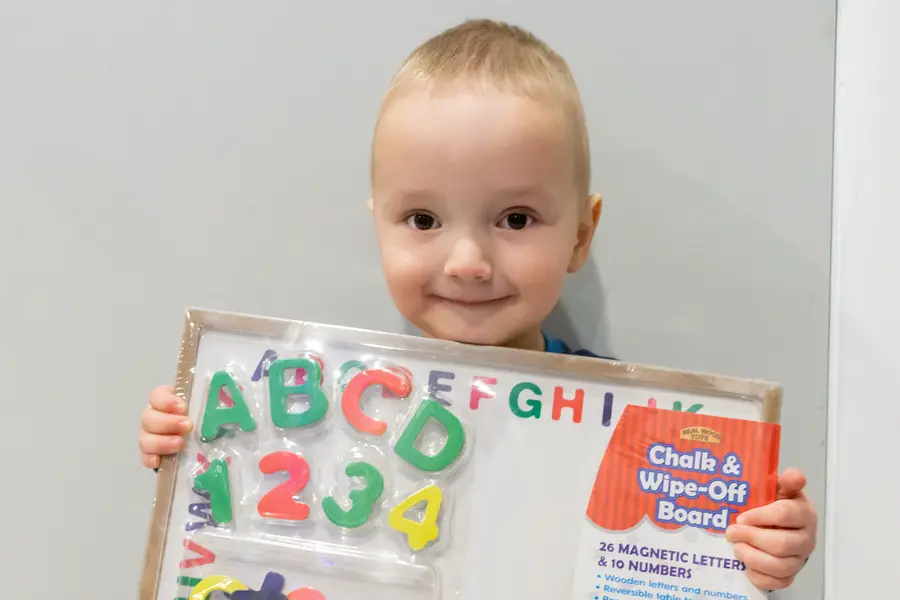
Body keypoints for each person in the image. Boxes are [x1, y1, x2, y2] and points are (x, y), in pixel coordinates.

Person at [137, 18, 816, 591]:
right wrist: (188, 437)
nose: (467, 262)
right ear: (378, 224)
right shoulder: (312, 405)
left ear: (581, 233)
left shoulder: (635, 433)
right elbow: (232, 523)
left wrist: (762, 547)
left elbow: (693, 566)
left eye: (516, 219)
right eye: (424, 220)